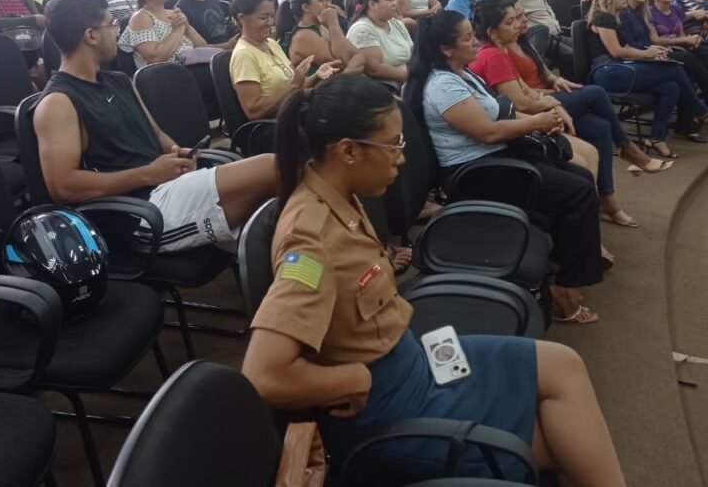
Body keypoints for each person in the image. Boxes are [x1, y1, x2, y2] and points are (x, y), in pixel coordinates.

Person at [242, 75, 626, 485]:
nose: (401, 158)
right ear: (348, 151)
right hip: (390, 404)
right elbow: (264, 375)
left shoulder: (339, 193)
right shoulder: (310, 242)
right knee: (559, 444)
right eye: (393, 145)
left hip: (412, 358)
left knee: (563, 364)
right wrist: (351, 379)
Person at [33, 0, 276, 252]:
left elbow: (157, 134)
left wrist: (177, 153)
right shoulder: (58, 103)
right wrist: (148, 174)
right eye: (112, 25)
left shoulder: (119, 81)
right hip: (138, 213)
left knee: (270, 202)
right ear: (91, 35)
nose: (117, 33)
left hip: (164, 187)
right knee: (273, 168)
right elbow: (64, 186)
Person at [403, 12, 604, 323]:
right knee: (578, 193)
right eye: (468, 38)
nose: (476, 42)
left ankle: (562, 262)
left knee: (580, 177)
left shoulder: (462, 74)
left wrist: (541, 120)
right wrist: (536, 122)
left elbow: (501, 114)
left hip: (495, 159)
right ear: (446, 48)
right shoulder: (443, 86)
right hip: (476, 173)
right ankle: (566, 288)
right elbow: (488, 132)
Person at [471, 0, 670, 229]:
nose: (519, 23)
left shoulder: (509, 47)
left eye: (519, 17)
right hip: (524, 120)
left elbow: (530, 89)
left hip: (542, 101)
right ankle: (628, 150)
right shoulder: (492, 55)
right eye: (511, 21)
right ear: (493, 32)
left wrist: (554, 90)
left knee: (600, 127)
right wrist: (553, 103)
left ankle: (605, 200)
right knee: (596, 92)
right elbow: (520, 103)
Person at [587, 0, 708, 159]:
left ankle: (657, 138)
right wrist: (646, 54)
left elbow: (626, 49)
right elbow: (616, 51)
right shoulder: (603, 18)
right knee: (674, 68)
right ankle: (703, 112)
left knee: (671, 87)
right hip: (607, 72)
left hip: (622, 67)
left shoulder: (615, 18)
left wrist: (651, 52)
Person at [620, 0, 708, 131]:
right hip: (641, 57)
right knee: (686, 60)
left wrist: (685, 41)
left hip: (656, 50)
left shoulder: (641, 12)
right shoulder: (624, 14)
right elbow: (632, 43)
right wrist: (651, 49)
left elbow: (662, 36)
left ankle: (694, 119)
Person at [229, 0, 339, 120]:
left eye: (272, 16)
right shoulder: (244, 55)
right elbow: (253, 111)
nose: (270, 22)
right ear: (242, 18)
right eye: (263, 17)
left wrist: (316, 75)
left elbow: (296, 88)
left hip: (293, 112)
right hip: (276, 124)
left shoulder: (271, 43)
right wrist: (293, 85)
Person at [118, 0, 206, 69]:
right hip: (164, 75)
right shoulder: (141, 18)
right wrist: (177, 30)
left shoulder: (173, 13)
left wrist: (186, 26)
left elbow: (203, 48)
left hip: (192, 68)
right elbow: (155, 58)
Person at [277, 0, 364, 75]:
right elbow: (342, 62)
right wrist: (333, 23)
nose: (328, 5)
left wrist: (349, 70)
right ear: (306, 7)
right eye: (322, 0)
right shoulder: (303, 36)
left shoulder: (323, 27)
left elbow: (359, 55)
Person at [346, 0, 414, 84]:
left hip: (407, 79)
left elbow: (413, 53)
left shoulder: (396, 24)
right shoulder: (361, 29)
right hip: (385, 85)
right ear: (372, 5)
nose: (394, 4)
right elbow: (375, 69)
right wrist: (412, 78)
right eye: (389, 0)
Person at [517, 0, 573, 74]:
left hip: (558, 35)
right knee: (572, 54)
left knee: (581, 46)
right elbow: (506, 6)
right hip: (544, 40)